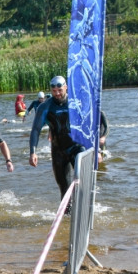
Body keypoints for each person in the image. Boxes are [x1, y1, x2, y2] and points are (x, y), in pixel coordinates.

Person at [29, 75, 84, 205]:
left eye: (60, 90)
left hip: (77, 147)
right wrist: (33, 152)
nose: (57, 94)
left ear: (66, 87)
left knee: (82, 181)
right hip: (58, 150)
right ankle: (67, 218)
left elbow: (91, 123)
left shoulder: (76, 102)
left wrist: (96, 148)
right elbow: (36, 130)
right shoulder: (45, 107)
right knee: (64, 189)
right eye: (54, 91)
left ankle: (83, 208)